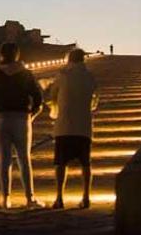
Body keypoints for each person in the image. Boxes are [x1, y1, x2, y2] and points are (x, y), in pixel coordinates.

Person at [0, 42, 45, 209]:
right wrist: (32, 112)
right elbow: (38, 96)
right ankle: (30, 198)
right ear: (17, 55)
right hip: (21, 116)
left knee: (4, 160)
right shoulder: (25, 73)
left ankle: (6, 199)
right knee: (24, 158)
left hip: (0, 117)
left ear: (1, 55)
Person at [47, 49, 98, 209]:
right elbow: (94, 100)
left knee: (61, 163)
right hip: (84, 126)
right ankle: (86, 197)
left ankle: (59, 198)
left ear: (69, 59)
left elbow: (52, 95)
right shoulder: (90, 77)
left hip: (64, 125)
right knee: (85, 164)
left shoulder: (63, 75)